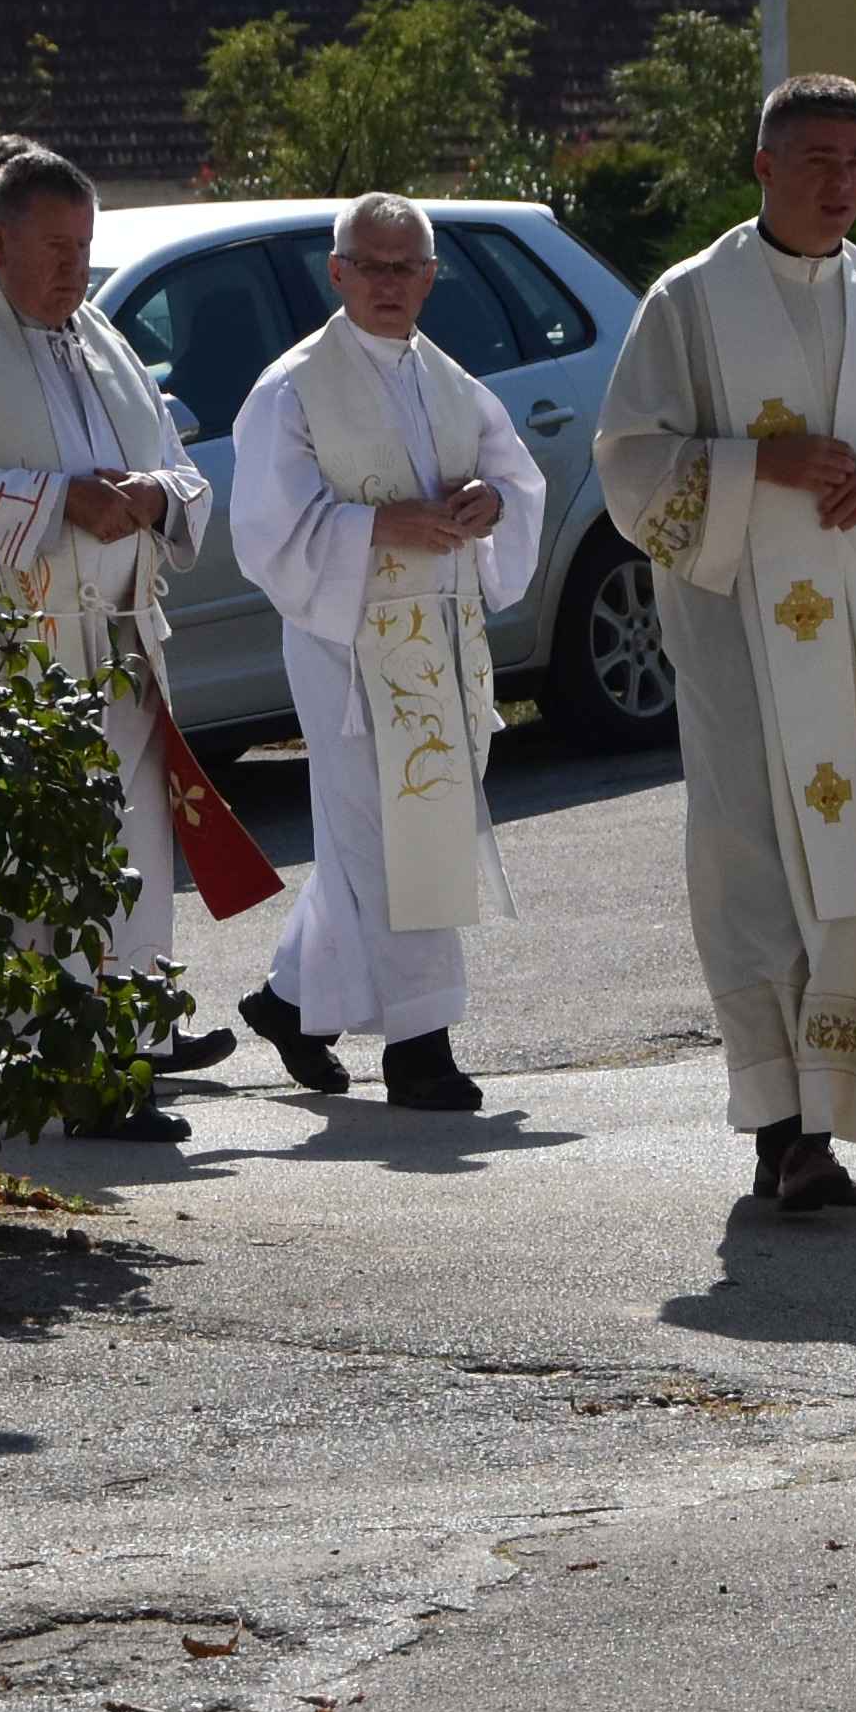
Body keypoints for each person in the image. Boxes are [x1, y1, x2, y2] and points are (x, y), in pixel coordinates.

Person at [591, 71, 856, 1212]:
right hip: (739, 644)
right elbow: (629, 459)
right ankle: (778, 1125)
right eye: (815, 160)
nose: (840, 183)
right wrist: (755, 465)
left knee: (855, 864)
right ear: (764, 166)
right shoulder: (690, 300)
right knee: (753, 861)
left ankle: (836, 1118)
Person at [223, 194, 548, 1113]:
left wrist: (490, 503)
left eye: (407, 267)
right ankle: (420, 1048)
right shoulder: (292, 386)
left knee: (377, 833)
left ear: (431, 277)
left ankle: (289, 1002)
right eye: (371, 265)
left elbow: (517, 477)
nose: (390, 282)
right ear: (337, 273)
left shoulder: (446, 378)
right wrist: (378, 525)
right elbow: (266, 529)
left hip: (440, 641)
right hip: (347, 644)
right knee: (389, 832)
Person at [0, 144, 220, 1140]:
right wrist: (62, 499)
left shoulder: (100, 336)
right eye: (55, 248)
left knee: (133, 860)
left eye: (85, 248)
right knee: (41, 874)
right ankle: (42, 1068)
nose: (75, 270)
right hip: (21, 658)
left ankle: (122, 1064)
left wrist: (151, 496)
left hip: (125, 653)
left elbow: (183, 471)